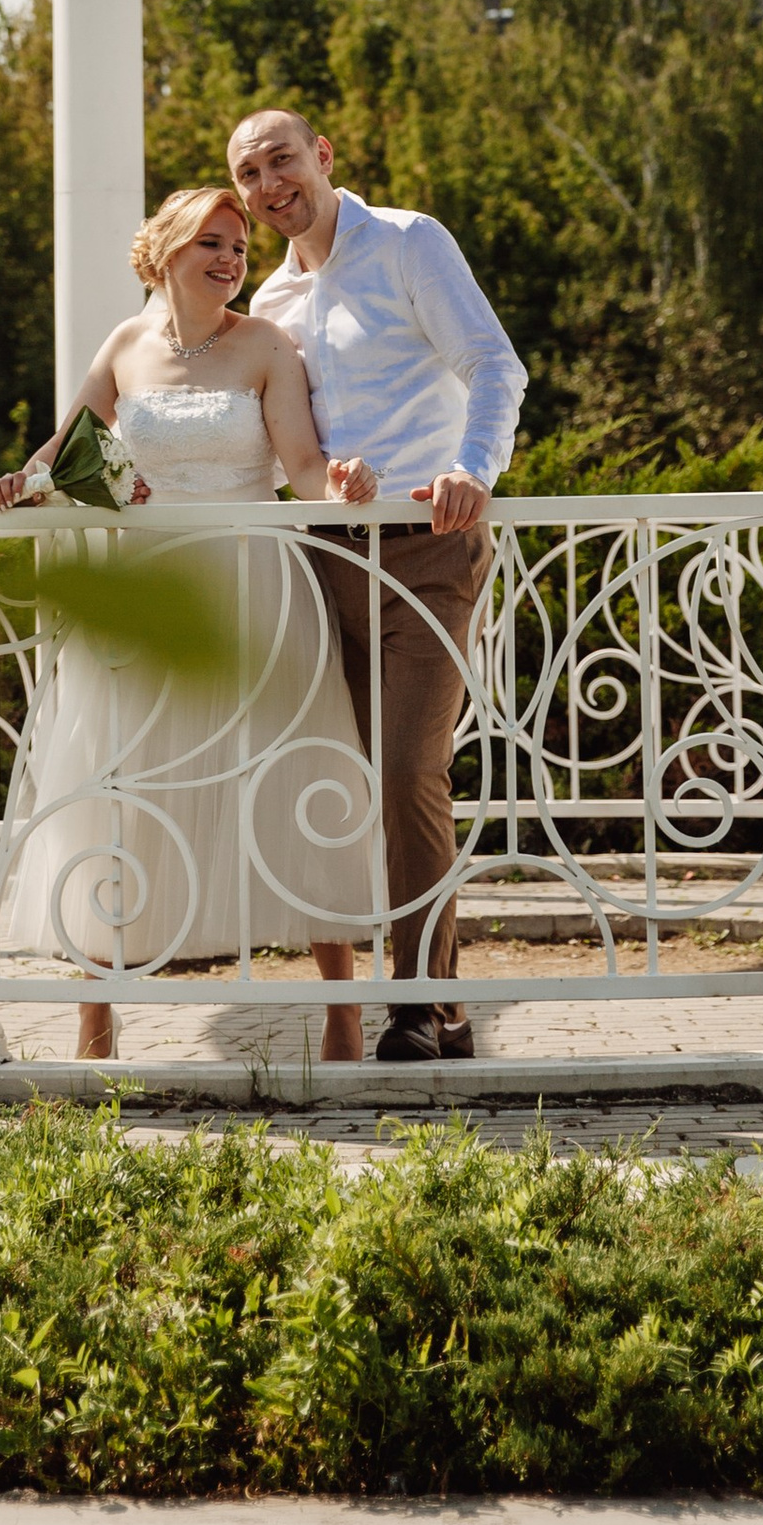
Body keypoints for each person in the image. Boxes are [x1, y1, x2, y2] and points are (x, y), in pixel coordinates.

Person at [0, 183, 381, 1061]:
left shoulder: (267, 346)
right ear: (166, 251)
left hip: (255, 589)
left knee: (293, 777)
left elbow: (304, 468)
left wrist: (344, 483)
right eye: (212, 242)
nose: (231, 260)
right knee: (118, 788)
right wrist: (22, 485)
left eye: (239, 247)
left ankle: (344, 1016)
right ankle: (96, 1024)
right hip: (149, 598)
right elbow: (62, 458)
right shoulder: (124, 345)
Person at [229, 108, 525, 1064]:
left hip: (430, 548)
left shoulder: (406, 241)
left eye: (282, 160)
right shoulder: (267, 304)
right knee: (348, 787)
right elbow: (276, 452)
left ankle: (412, 1005)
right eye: (249, 175)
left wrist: (474, 467)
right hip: (322, 562)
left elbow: (492, 363)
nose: (271, 184)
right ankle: (444, 1006)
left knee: (408, 772)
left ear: (322, 157)